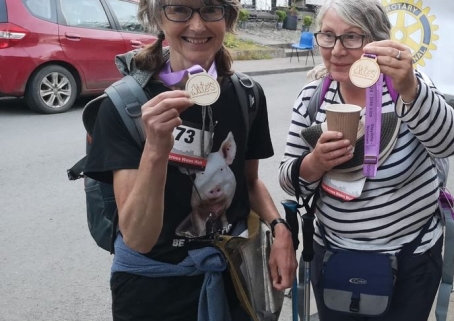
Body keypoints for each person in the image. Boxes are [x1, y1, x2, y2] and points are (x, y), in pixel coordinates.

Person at [83, 1, 296, 320]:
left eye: (211, 9)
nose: (197, 25)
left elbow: (249, 183)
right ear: (157, 18)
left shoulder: (247, 95)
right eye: (180, 9)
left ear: (228, 18)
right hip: (152, 290)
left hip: (234, 277)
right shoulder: (125, 105)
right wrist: (155, 147)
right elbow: (138, 239)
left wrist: (280, 230)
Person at [277, 0, 454, 320]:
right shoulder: (313, 98)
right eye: (328, 36)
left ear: (379, 42)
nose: (336, 50)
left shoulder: (405, 87)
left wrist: (410, 88)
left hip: (411, 256)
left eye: (352, 37)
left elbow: (450, 143)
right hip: (335, 256)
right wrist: (316, 163)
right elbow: (289, 179)